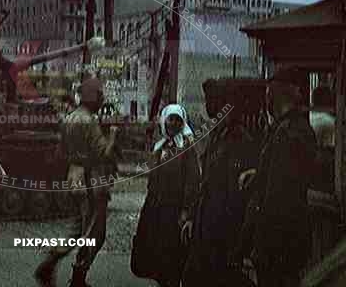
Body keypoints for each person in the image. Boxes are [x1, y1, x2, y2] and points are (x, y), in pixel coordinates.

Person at [234, 67, 317, 287]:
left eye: (268, 93)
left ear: (277, 95)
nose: (266, 100)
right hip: (285, 241)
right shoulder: (290, 128)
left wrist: (257, 245)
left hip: (279, 244)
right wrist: (259, 174)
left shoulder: (288, 132)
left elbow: (278, 196)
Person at [34, 76, 119, 287]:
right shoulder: (89, 120)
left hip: (74, 176)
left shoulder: (70, 118)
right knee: (94, 233)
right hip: (91, 180)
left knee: (79, 230)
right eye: (99, 95)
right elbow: (103, 153)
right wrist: (114, 136)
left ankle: (51, 264)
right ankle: (75, 276)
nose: (102, 99)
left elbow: (60, 153)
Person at [182, 79, 266, 287]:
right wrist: (193, 217)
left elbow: (237, 196)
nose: (208, 106)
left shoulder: (240, 140)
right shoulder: (217, 136)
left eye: (213, 101)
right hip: (206, 225)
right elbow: (206, 183)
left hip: (223, 232)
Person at [133, 104, 200, 287]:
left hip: (174, 209)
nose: (173, 123)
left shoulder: (186, 147)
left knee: (171, 256)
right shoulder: (159, 146)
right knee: (154, 253)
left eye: (178, 120)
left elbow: (192, 181)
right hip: (155, 209)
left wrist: (186, 210)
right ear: (164, 120)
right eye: (170, 119)